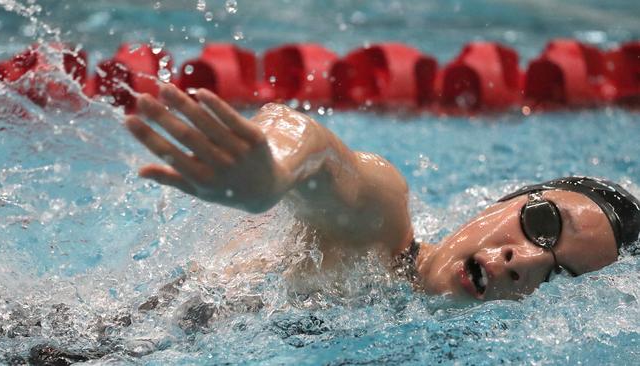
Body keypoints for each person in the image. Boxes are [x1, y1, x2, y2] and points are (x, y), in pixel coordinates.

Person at [124, 83, 640, 303]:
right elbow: (315, 146)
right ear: (504, 200)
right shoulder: (379, 225)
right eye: (543, 224)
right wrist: (271, 174)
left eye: (557, 277)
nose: (521, 262)